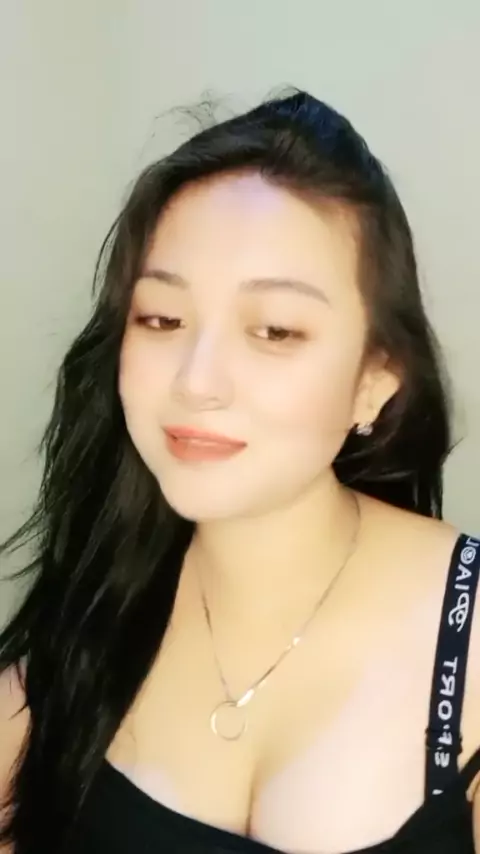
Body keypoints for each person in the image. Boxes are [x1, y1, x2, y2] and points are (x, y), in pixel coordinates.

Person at [0, 88, 479, 854]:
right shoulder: (91, 611)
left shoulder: (470, 636)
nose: (196, 380)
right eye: (162, 319)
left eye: (275, 330)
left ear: (375, 379)